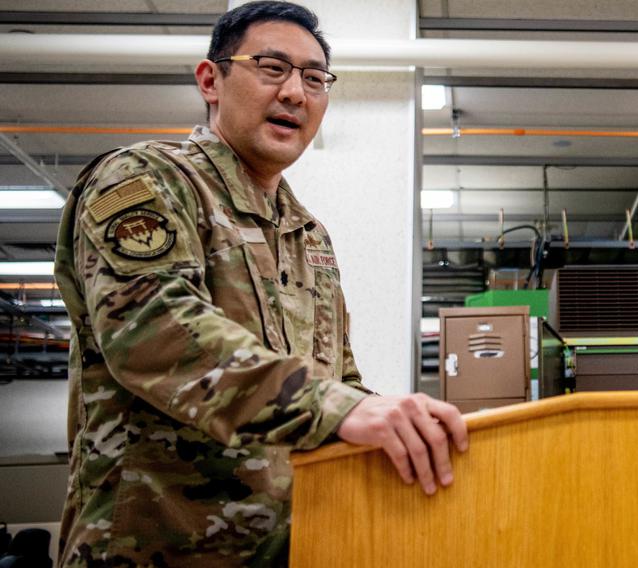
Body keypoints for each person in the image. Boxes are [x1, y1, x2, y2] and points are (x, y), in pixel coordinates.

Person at [53, 2, 468, 566]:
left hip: (285, 548)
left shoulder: (308, 234)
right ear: (211, 80)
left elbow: (338, 379)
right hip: (148, 549)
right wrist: (338, 407)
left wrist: (407, 420)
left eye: (315, 78)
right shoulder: (147, 179)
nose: (296, 92)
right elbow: (153, 333)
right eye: (272, 67)